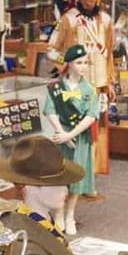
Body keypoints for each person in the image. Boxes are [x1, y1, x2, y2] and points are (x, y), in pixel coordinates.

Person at [47, 0, 114, 204]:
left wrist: (109, 82)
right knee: (73, 136)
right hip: (74, 87)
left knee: (94, 137)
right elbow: (51, 51)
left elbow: (109, 55)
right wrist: (69, 63)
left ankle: (88, 184)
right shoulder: (69, 20)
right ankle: (71, 183)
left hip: (97, 87)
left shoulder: (106, 21)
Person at [44, 44, 100, 235]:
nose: (83, 66)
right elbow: (49, 110)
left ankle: (70, 215)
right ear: (69, 64)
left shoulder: (90, 90)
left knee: (77, 177)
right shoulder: (56, 87)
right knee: (60, 177)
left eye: (85, 62)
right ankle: (58, 213)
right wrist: (61, 133)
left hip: (80, 139)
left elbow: (91, 115)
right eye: (79, 62)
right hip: (61, 138)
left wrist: (71, 135)